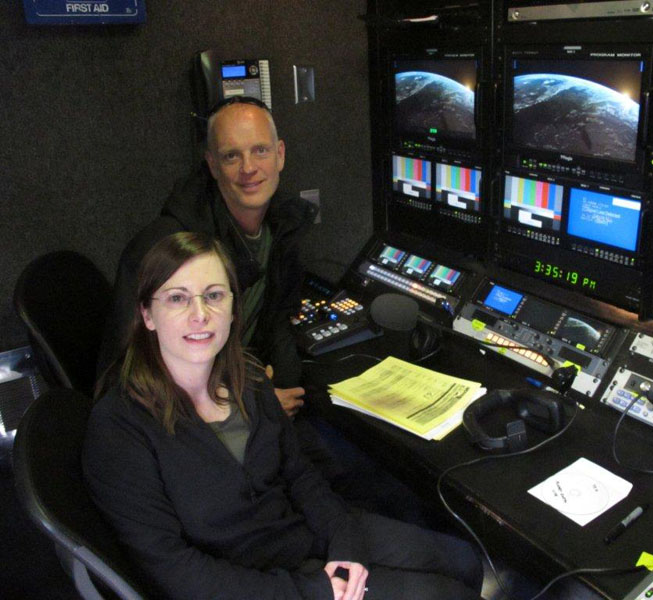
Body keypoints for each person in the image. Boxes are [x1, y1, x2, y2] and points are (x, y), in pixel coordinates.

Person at [84, 232, 483, 600]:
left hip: (303, 539)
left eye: (214, 295)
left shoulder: (249, 379)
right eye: (177, 298)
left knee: (464, 561)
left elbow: (300, 475)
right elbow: (175, 573)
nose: (200, 314)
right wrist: (315, 590)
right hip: (254, 585)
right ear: (147, 315)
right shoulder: (119, 426)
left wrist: (345, 547)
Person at [99, 95, 311, 416]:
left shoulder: (283, 226)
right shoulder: (167, 247)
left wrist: (282, 391)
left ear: (279, 154)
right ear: (212, 165)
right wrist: (250, 407)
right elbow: (129, 380)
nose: (249, 168)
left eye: (260, 151)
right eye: (231, 156)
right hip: (178, 419)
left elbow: (276, 320)